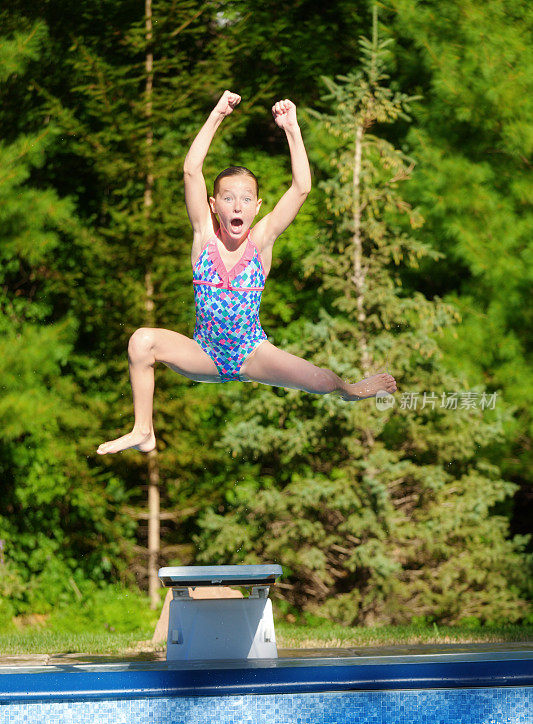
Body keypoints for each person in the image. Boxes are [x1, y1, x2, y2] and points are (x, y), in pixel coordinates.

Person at [97, 91, 397, 455]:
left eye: (245, 199)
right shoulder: (203, 236)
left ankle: (350, 391)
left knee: (321, 382)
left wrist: (291, 128)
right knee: (141, 341)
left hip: (252, 353)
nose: (236, 206)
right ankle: (143, 429)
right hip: (204, 354)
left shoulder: (262, 241)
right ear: (213, 204)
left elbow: (301, 187)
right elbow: (191, 170)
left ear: (256, 207)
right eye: (227, 198)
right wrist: (217, 115)